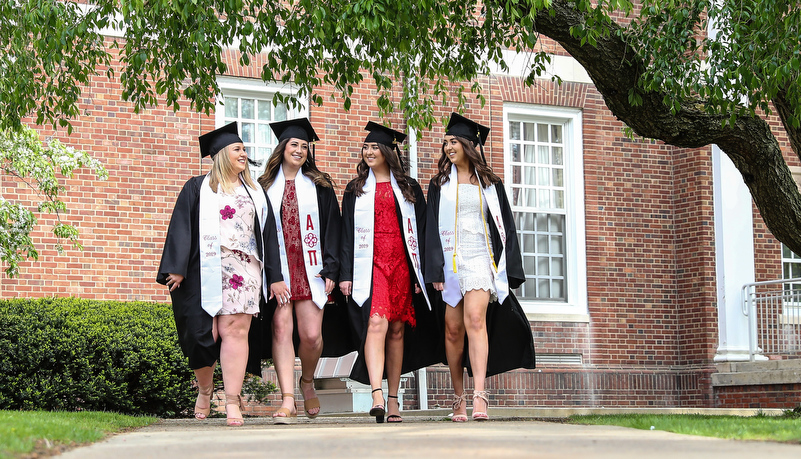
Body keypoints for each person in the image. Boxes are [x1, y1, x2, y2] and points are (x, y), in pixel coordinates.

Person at [157, 122, 286, 427]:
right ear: (220, 156)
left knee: (235, 331)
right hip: (204, 266)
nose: (244, 153)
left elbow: (269, 235)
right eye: (237, 149)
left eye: (244, 149)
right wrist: (175, 267)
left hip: (244, 268)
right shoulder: (198, 187)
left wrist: (276, 275)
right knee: (204, 335)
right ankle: (204, 389)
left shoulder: (255, 192)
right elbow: (181, 226)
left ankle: (232, 402)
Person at [426, 113, 536, 422]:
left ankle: (479, 395)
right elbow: (430, 229)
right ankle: (457, 396)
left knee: (475, 320)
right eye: (446, 142)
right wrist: (434, 268)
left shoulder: (490, 183)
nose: (449, 147)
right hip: (450, 261)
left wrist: (508, 266)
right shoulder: (439, 185)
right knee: (452, 329)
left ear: (469, 145)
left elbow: (506, 228)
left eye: (454, 142)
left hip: (479, 258)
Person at [339, 122, 443, 423]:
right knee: (377, 322)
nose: (369, 151)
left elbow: (424, 232)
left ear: (387, 151)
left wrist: (426, 272)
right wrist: (345, 273)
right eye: (366, 147)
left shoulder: (408, 188)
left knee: (397, 329)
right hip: (370, 263)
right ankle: (376, 393)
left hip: (402, 262)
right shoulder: (355, 188)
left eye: (375, 147)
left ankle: (395, 398)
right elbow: (347, 234)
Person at [252, 117, 344, 424]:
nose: (300, 150)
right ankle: (288, 400)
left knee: (311, 335)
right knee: (281, 329)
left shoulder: (320, 186)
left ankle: (307, 380)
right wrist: (273, 276)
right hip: (279, 270)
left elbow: (333, 229)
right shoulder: (263, 187)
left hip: (312, 268)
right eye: (295, 144)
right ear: (282, 148)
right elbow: (260, 235)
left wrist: (331, 267)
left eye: (305, 146)